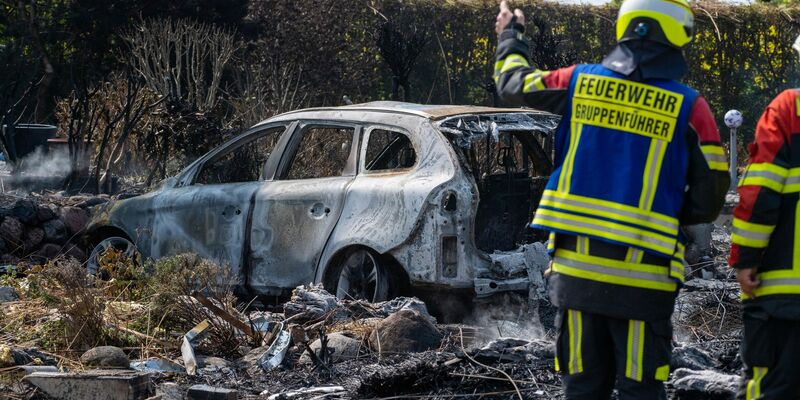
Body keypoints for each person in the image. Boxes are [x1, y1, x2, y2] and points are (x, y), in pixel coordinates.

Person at [493, 0, 729, 398]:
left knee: (583, 387)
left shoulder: (579, 82)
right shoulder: (691, 107)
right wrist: (665, 209)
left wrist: (510, 35)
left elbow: (513, 83)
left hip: (576, 277)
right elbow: (710, 197)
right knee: (640, 390)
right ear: (678, 36)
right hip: (644, 282)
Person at [728, 34, 800, 400]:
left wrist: (746, 259)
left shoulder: (790, 109)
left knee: (769, 389)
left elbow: (760, 194)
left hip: (786, 295)